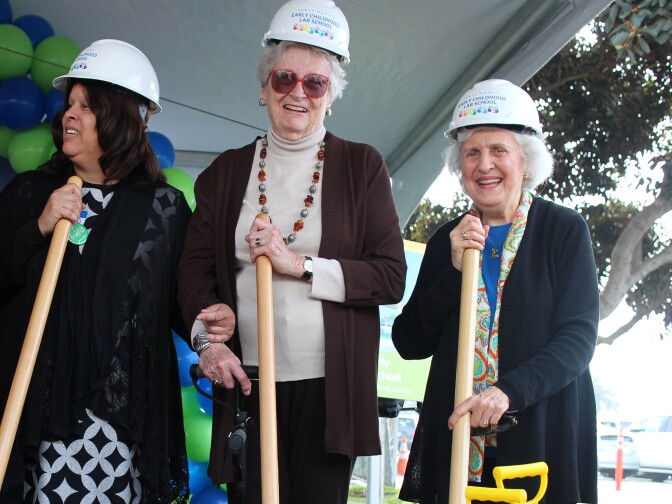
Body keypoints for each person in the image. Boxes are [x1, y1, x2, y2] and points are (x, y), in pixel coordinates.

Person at [177, 1, 406, 502]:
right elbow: (192, 274)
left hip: (330, 390)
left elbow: (389, 277)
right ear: (264, 89)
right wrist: (206, 339)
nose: (297, 92)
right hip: (248, 384)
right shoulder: (224, 173)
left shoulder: (362, 167)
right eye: (284, 78)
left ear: (331, 96)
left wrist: (297, 265)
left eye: (315, 83)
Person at [0, 39, 191, 502]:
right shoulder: (30, 193)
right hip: (31, 417)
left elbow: (183, 305)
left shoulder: (163, 209)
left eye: (86, 106)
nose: (69, 114)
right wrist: (40, 226)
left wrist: (210, 329)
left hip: (119, 429)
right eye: (70, 104)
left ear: (120, 117)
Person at [392, 79, 599, 504]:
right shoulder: (445, 240)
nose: (484, 164)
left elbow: (578, 339)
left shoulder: (563, 230)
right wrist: (452, 270)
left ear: (526, 162)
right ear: (460, 167)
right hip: (457, 441)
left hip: (540, 432)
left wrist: (507, 392)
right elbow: (409, 341)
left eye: (499, 150)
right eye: (472, 153)